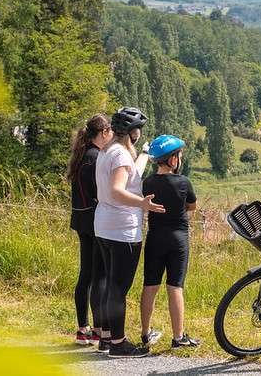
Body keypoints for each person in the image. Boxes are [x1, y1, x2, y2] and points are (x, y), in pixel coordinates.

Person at [94, 106, 165, 358]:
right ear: (132, 131)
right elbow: (117, 190)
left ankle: (105, 338)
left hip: (103, 225)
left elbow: (131, 173)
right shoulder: (120, 156)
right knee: (118, 288)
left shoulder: (108, 151)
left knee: (108, 284)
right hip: (122, 228)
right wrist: (142, 204)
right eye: (139, 130)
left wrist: (144, 153)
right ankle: (119, 343)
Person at [140, 135, 201, 349]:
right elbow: (192, 207)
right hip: (178, 238)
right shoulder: (183, 182)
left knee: (150, 285)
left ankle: (146, 333)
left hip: (155, 238)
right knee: (175, 286)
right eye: (179, 155)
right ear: (172, 160)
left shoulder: (147, 182)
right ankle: (178, 337)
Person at [66, 114, 113, 347]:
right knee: (99, 276)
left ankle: (82, 328)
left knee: (85, 275)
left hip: (80, 219)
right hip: (95, 221)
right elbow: (102, 191)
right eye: (110, 132)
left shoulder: (82, 155)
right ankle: (98, 329)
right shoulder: (97, 158)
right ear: (103, 133)